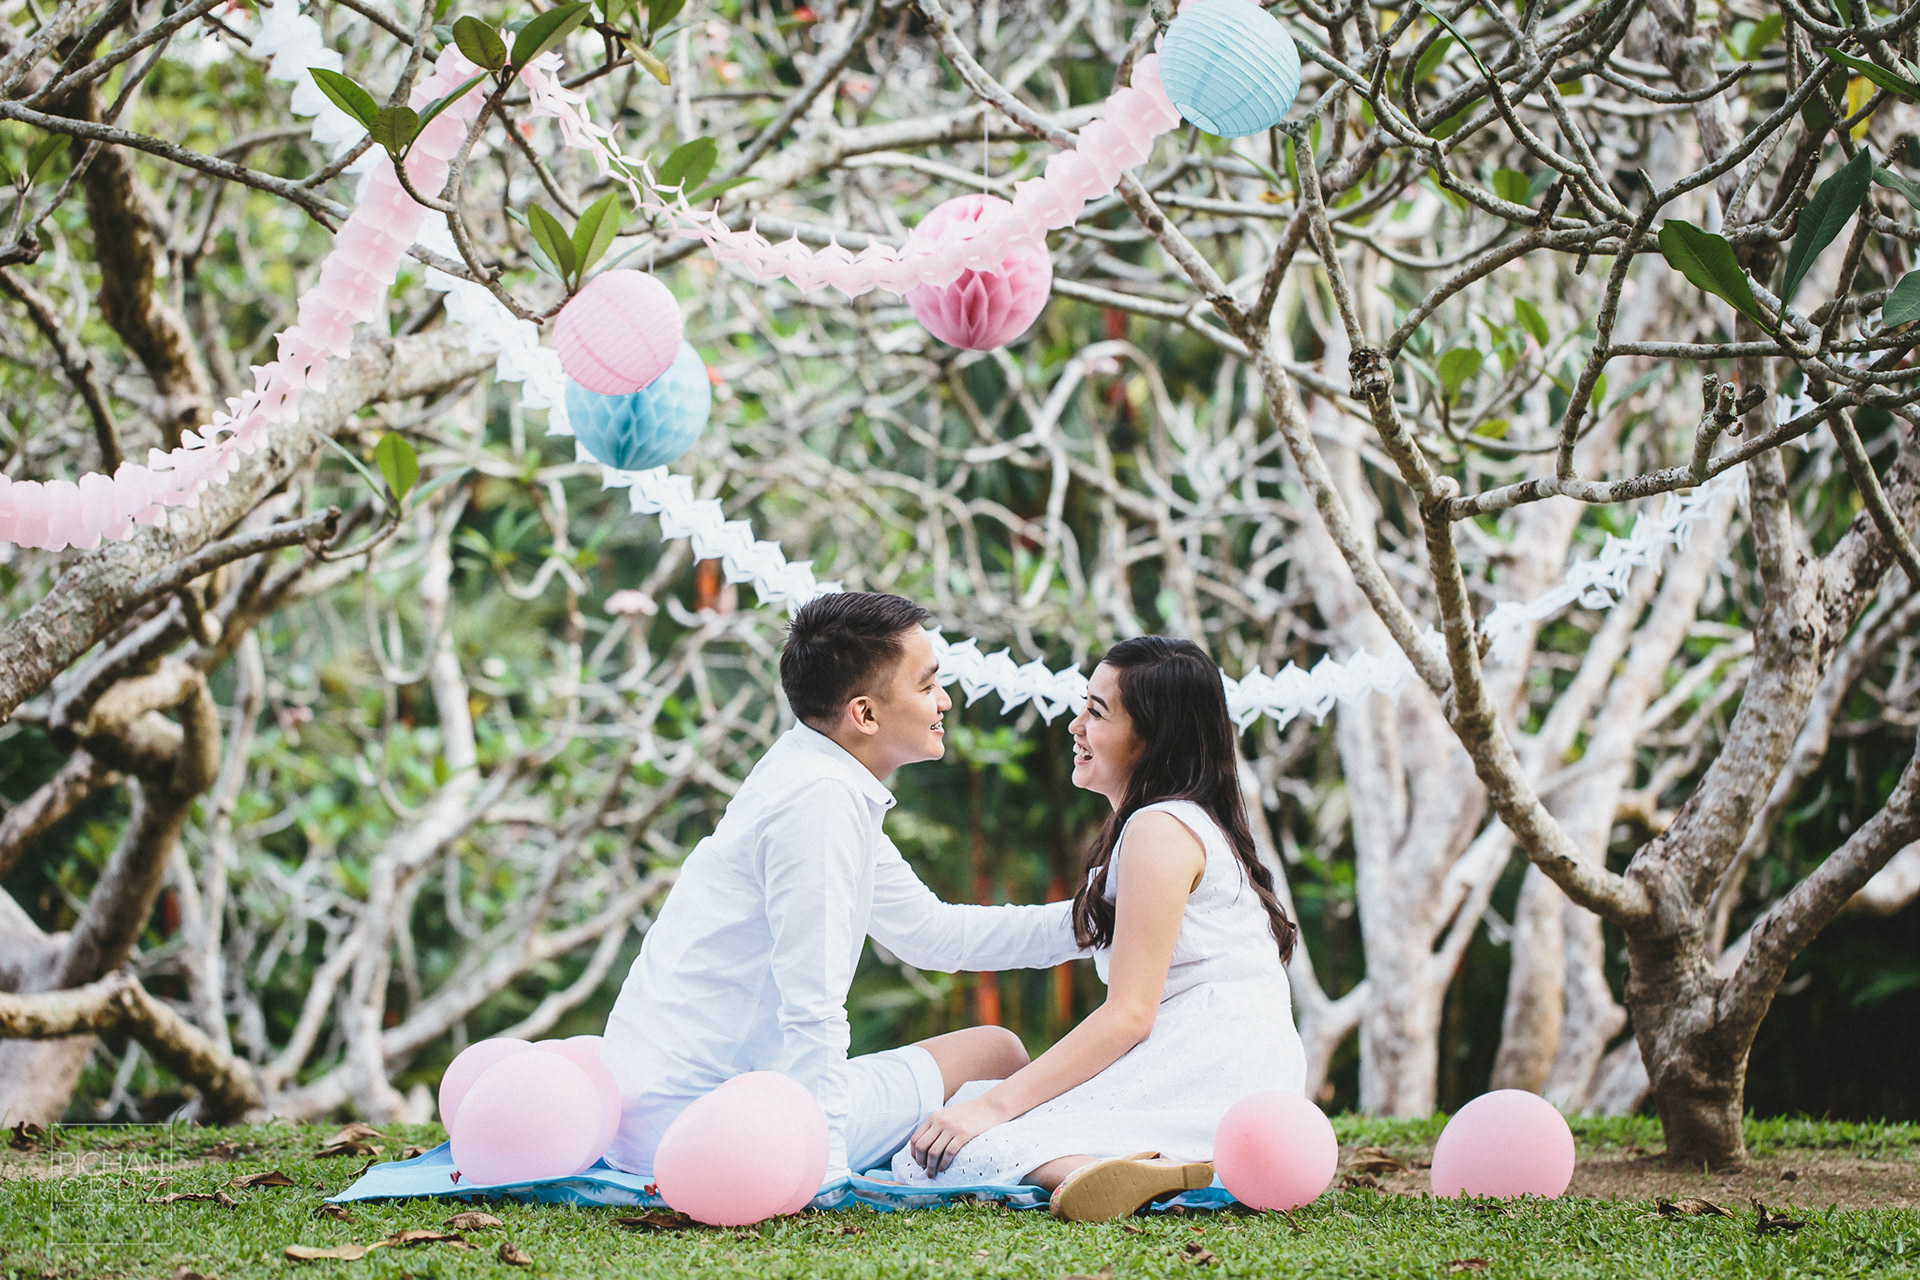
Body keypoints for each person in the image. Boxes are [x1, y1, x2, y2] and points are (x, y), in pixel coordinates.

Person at [600, 591, 1086, 1184]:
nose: (944, 700)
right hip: (707, 1128)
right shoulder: (819, 801)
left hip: (658, 1116)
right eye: (927, 685)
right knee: (998, 1057)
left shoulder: (813, 774)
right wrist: (823, 1173)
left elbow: (932, 934)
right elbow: (813, 1006)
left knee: (994, 1052)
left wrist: (1094, 919)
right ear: (865, 715)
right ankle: (1063, 1169)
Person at [889, 635, 1307, 1221]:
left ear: (1152, 738)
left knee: (949, 1145)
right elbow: (1045, 933)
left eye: (1097, 712)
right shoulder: (1179, 825)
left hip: (1209, 1066)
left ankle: (1096, 1170)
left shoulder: (1159, 830)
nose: (1075, 726)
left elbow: (1129, 1014)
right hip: (1246, 1075)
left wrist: (994, 1110)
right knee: (967, 1114)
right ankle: (1143, 1167)